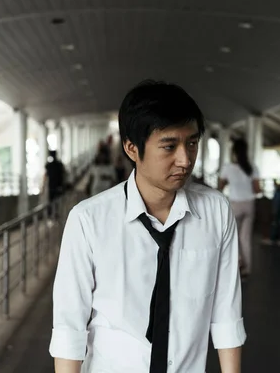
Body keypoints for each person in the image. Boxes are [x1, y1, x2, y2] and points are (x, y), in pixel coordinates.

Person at [49, 80, 245, 373]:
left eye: (192, 143)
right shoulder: (89, 220)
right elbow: (69, 327)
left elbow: (226, 312)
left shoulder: (215, 211)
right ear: (131, 148)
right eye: (169, 146)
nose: (185, 159)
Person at [218, 138, 261, 277]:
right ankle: (247, 269)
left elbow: (220, 187)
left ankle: (237, 263)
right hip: (249, 205)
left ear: (234, 152)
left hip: (235, 204)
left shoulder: (227, 168)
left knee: (233, 237)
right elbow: (256, 189)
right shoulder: (253, 168)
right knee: (246, 238)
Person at [41, 150, 67, 218]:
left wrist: (43, 187)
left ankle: (53, 215)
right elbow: (64, 174)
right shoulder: (60, 164)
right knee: (58, 202)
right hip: (59, 186)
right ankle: (57, 215)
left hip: (52, 187)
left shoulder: (48, 165)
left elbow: (45, 177)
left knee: (52, 202)